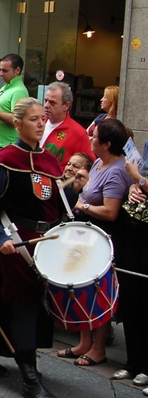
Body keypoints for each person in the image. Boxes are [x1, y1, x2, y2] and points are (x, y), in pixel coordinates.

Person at [0, 97, 63, 398]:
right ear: (17, 124)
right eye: (33, 119)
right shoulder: (4, 160)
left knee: (35, 305)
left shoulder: (50, 161)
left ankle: (2, 351)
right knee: (21, 304)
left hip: (46, 243)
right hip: (17, 242)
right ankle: (29, 377)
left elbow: (54, 205)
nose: (39, 124)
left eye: (42, 119)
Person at [57, 119, 131, 367]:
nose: (90, 138)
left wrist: (83, 205)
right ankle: (83, 342)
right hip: (87, 233)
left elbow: (110, 212)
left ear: (107, 144)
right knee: (82, 287)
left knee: (98, 289)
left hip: (105, 236)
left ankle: (98, 348)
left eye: (95, 136)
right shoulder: (99, 162)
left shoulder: (117, 171)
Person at [120, 149, 148, 391]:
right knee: (132, 295)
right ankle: (133, 362)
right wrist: (134, 186)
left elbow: (140, 175)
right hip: (137, 223)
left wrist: (137, 178)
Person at [42, 81, 94, 169]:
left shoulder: (78, 133)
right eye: (46, 101)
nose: (46, 105)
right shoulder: (37, 123)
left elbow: (90, 166)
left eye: (52, 103)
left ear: (66, 106)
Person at [0, 53, 29, 147]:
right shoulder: (6, 86)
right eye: (0, 70)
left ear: (17, 70)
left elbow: (16, 119)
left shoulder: (19, 91)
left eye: (5, 71)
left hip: (6, 145)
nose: (1, 74)